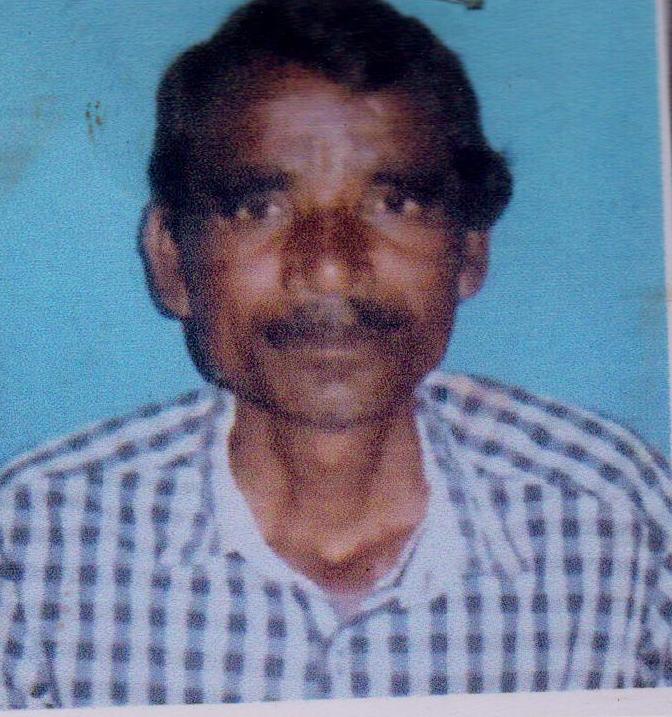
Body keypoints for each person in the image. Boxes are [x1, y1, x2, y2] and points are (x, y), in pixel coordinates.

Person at [1, 0, 671, 709]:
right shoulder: (36, 549)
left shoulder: (617, 521)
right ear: (172, 261)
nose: (328, 267)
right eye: (258, 208)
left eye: (394, 204)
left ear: (470, 251)